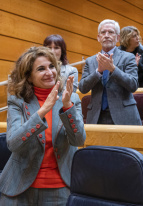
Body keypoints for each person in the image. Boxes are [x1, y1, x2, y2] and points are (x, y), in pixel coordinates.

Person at [0, 47, 86, 205]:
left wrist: (67, 107)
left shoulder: (71, 97)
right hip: (19, 187)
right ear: (29, 77)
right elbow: (13, 143)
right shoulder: (18, 101)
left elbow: (78, 140)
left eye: (51, 66)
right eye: (41, 69)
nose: (49, 72)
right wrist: (43, 111)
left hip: (59, 188)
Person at [79, 19, 142, 125]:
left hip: (124, 116)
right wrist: (98, 72)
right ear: (98, 38)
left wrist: (113, 69)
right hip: (97, 117)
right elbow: (82, 88)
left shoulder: (128, 57)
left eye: (111, 32)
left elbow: (133, 85)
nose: (106, 35)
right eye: (103, 32)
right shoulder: (90, 61)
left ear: (117, 38)